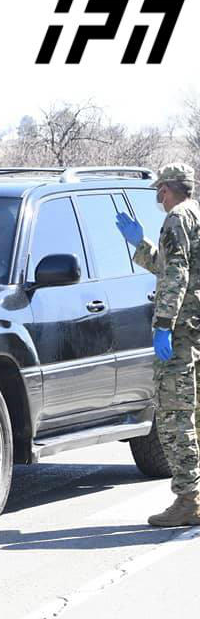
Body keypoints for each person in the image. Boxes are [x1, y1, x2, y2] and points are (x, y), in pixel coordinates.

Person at [116, 163, 200, 527]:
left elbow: (176, 276)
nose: (158, 198)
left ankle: (188, 499)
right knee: (193, 413)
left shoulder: (176, 218)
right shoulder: (194, 214)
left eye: (158, 191)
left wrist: (164, 324)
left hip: (181, 332)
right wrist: (142, 245)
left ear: (166, 189)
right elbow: (172, 268)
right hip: (195, 328)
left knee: (174, 414)